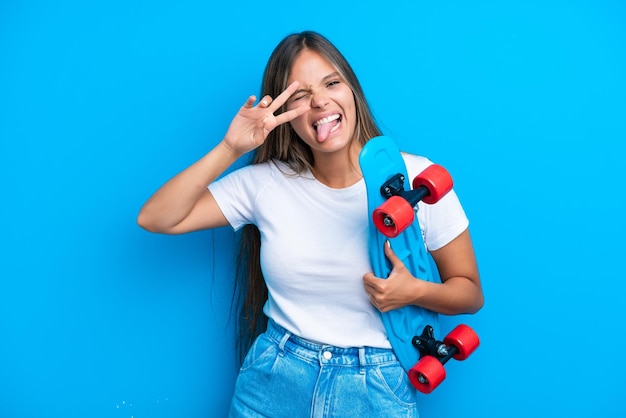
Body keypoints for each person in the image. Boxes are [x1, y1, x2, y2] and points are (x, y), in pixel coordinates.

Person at [137, 30, 483, 417]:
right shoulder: (265, 183)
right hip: (273, 379)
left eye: (332, 83)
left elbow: (469, 294)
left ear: (352, 90)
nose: (320, 101)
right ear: (284, 112)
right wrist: (230, 148)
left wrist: (413, 292)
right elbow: (156, 217)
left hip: (374, 386)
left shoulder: (417, 180)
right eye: (300, 94)